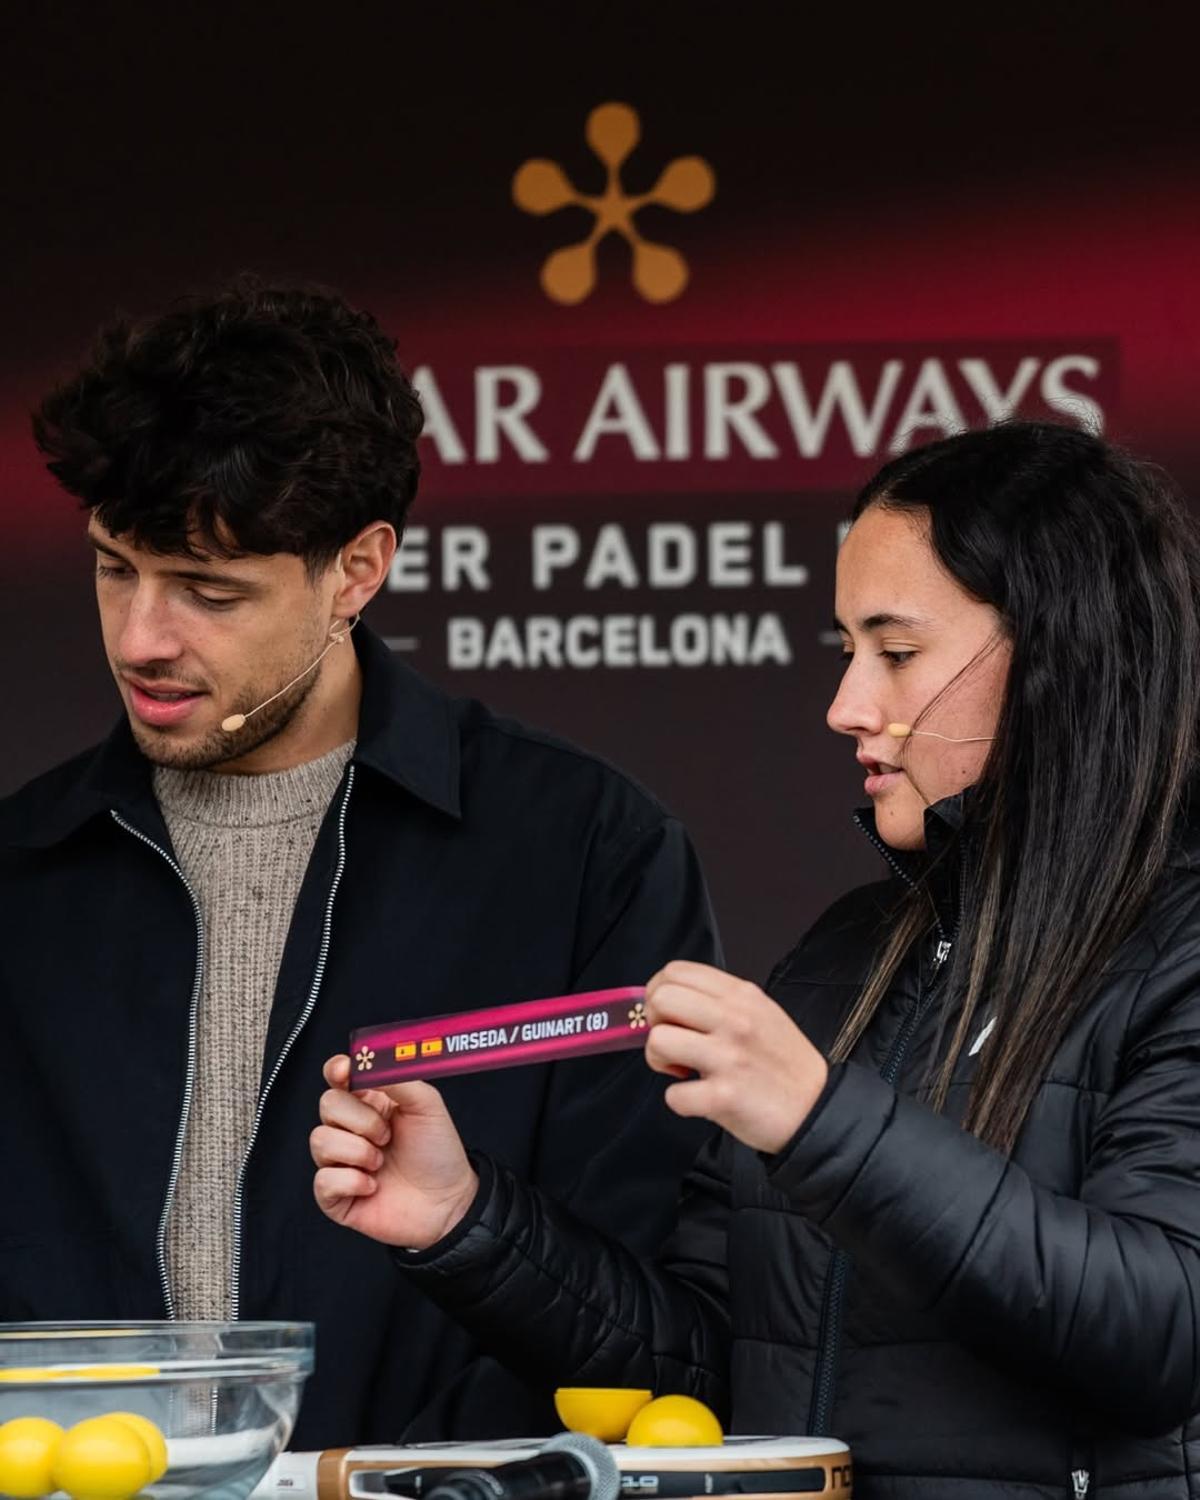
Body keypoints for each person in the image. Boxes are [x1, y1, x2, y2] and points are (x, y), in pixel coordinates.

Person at [313, 421, 1200, 1499]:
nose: (845, 707)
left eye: (899, 653)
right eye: (846, 652)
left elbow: (1163, 1331)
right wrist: (468, 1224)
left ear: (1063, 652)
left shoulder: (1179, 944)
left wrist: (822, 1120)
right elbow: (709, 1374)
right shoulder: (847, 953)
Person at [0, 278, 720, 1447]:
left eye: (208, 591)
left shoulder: (585, 849)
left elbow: (667, 1333)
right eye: (113, 568)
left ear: (358, 569)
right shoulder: (20, 874)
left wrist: (466, 1224)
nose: (141, 637)